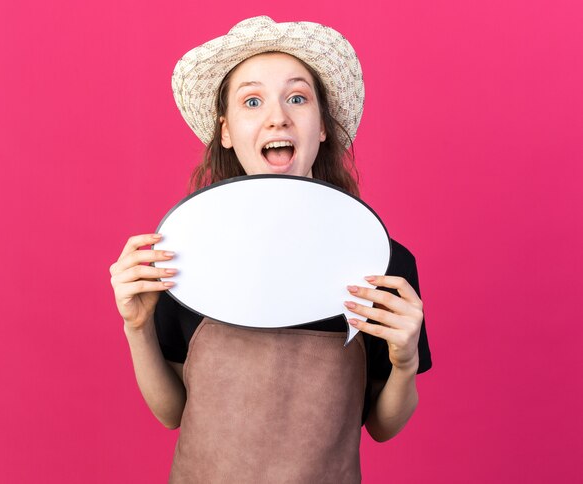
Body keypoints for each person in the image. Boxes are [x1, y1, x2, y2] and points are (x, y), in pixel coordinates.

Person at [110, 16, 432, 483]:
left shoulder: (379, 260)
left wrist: (405, 361)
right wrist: (136, 328)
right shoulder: (183, 251)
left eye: (297, 98)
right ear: (225, 131)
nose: (277, 116)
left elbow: (384, 425)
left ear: (322, 127)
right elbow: (171, 412)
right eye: (253, 101)